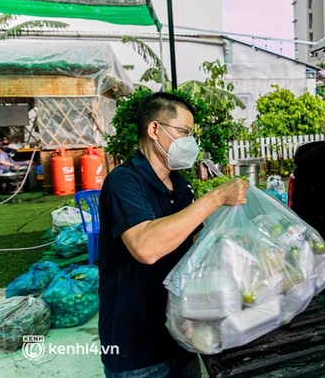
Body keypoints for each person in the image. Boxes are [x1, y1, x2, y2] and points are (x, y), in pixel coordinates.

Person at [98, 92, 249, 376]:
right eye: (184, 132)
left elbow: (192, 244)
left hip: (181, 334)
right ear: (155, 129)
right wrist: (216, 198)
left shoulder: (179, 184)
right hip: (135, 346)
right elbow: (146, 247)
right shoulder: (123, 182)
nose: (189, 142)